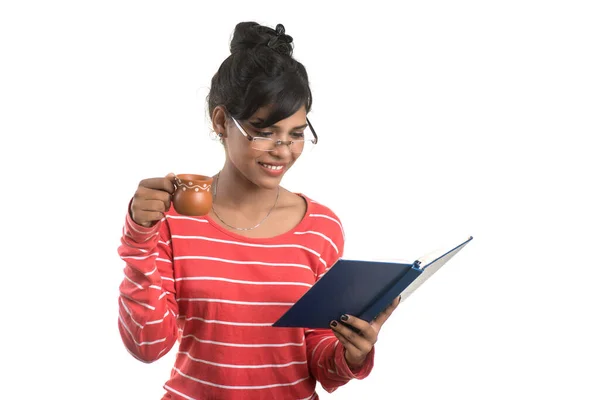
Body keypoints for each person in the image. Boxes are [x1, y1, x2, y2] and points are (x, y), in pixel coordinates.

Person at [117, 21, 400, 400]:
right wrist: (139, 238)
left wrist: (351, 352)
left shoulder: (320, 227)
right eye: (264, 131)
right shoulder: (172, 218)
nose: (283, 150)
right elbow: (146, 346)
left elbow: (317, 355)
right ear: (221, 122)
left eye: (296, 133)